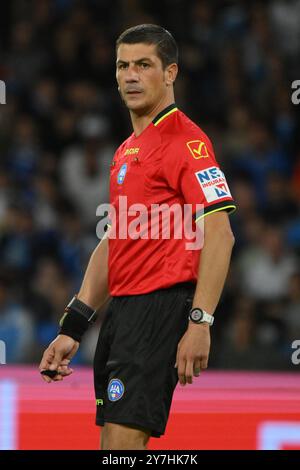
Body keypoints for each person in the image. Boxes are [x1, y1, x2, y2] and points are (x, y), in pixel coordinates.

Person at [39, 24, 236, 450]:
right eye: (123, 65)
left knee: (123, 449)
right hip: (123, 315)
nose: (130, 75)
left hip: (158, 310)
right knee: (114, 446)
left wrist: (201, 322)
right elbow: (116, 241)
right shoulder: (127, 150)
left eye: (143, 65)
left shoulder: (188, 142)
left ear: (170, 73)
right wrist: (74, 325)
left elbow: (220, 234)